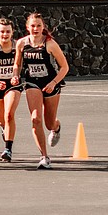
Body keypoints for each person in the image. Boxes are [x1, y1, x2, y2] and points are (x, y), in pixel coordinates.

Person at [14, 12, 70, 169]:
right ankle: (44, 156)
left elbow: (65, 67)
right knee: (35, 119)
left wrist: (53, 83)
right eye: (32, 26)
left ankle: (56, 127)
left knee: (48, 123)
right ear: (27, 27)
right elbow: (17, 64)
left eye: (38, 25)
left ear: (43, 27)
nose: (35, 28)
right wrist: (15, 75)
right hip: (32, 83)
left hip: (50, 83)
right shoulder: (21, 44)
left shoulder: (50, 44)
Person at [0, 18, 23, 162]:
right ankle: (2, 129)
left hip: (13, 84)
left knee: (9, 114)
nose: (5, 34)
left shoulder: (17, 46)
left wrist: (16, 76)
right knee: (0, 119)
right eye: (2, 31)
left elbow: (19, 64)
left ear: (12, 32)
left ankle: (8, 148)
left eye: (8, 31)